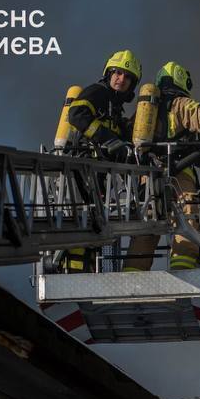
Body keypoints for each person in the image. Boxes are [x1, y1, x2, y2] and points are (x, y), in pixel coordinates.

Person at [123, 61, 200, 271]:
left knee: (146, 227)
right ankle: (184, 268)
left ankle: (132, 274)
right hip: (180, 175)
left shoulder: (146, 110)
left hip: (148, 178)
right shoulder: (180, 104)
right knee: (186, 220)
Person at [57, 50, 140, 272]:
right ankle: (74, 274)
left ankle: (85, 270)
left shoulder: (116, 110)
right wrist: (107, 138)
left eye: (127, 77)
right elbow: (76, 114)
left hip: (98, 177)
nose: (120, 79)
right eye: (117, 73)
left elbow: (123, 150)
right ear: (108, 73)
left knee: (94, 224)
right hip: (81, 169)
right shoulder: (98, 93)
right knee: (83, 222)